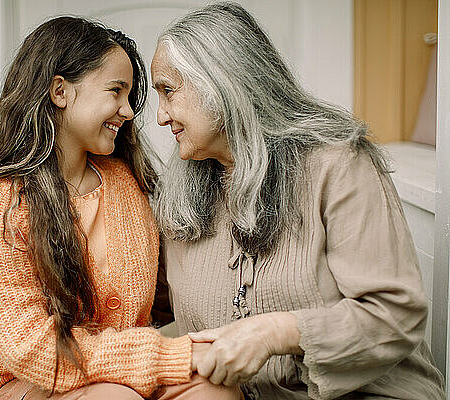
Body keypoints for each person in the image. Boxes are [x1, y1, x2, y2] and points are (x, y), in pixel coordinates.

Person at [0, 16, 242, 400]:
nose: (128, 112)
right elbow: (31, 351)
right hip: (29, 380)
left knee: (215, 391)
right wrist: (172, 354)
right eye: (116, 91)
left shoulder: (125, 183)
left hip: (123, 371)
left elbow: (162, 294)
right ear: (60, 91)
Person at [151, 2, 446, 399]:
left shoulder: (337, 165)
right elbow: (183, 328)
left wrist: (276, 332)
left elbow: (394, 315)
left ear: (220, 80)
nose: (160, 116)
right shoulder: (181, 195)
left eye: (168, 91)